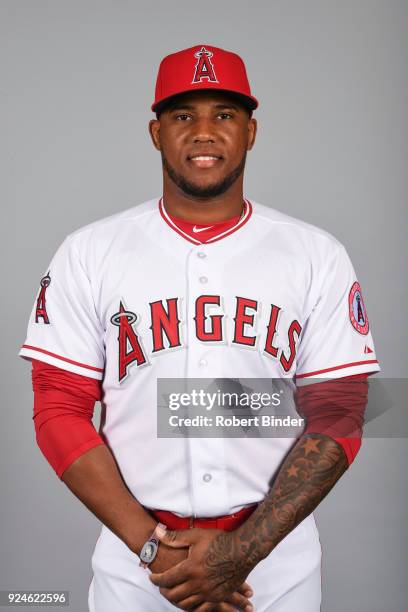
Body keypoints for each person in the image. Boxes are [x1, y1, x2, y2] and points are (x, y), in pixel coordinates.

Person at [19, 44, 380, 611]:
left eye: (225, 115)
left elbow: (341, 409)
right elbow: (58, 408)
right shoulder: (88, 252)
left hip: (274, 563)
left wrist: (245, 551)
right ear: (155, 132)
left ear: (252, 132)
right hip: (135, 563)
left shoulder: (316, 254)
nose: (205, 132)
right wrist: (151, 548)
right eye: (184, 115)